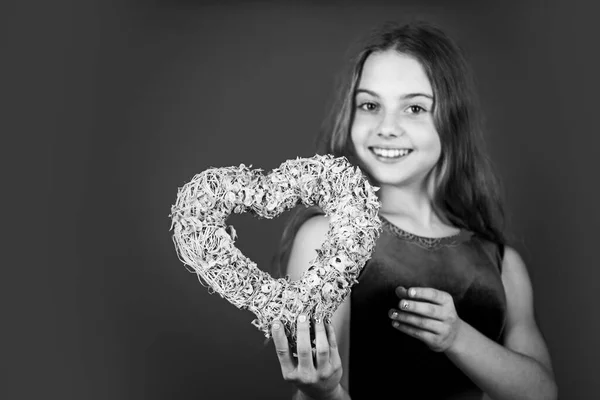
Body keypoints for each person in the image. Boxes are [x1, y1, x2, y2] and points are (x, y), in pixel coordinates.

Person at [268, 20, 557, 400]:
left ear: (452, 120)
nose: (387, 127)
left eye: (415, 108)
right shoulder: (328, 238)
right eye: (370, 105)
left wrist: (457, 336)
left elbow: (542, 394)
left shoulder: (503, 263)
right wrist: (323, 392)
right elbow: (318, 388)